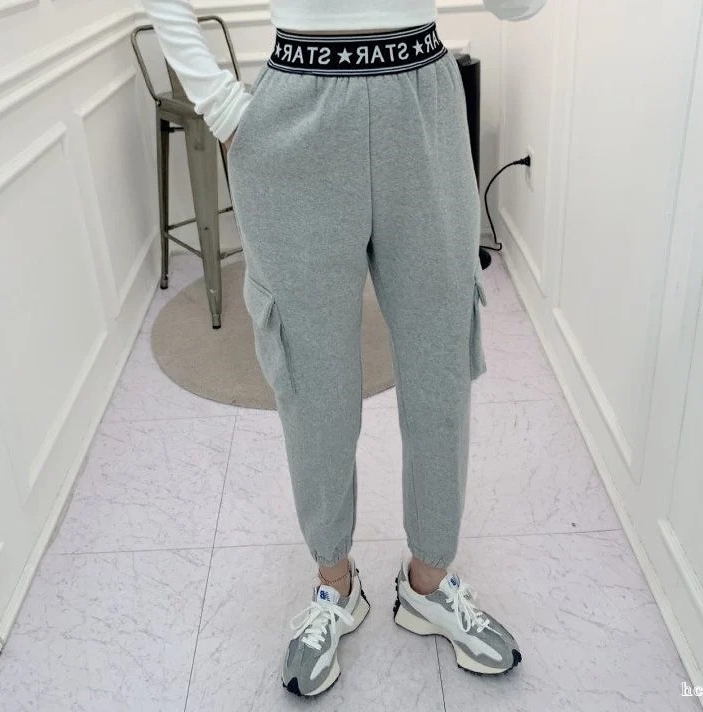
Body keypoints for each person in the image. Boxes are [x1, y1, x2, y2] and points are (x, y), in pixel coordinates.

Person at [142, 0, 546, 698]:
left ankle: (428, 582)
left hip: (421, 103)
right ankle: (335, 582)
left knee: (440, 363)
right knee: (312, 377)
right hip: (298, 111)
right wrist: (223, 108)